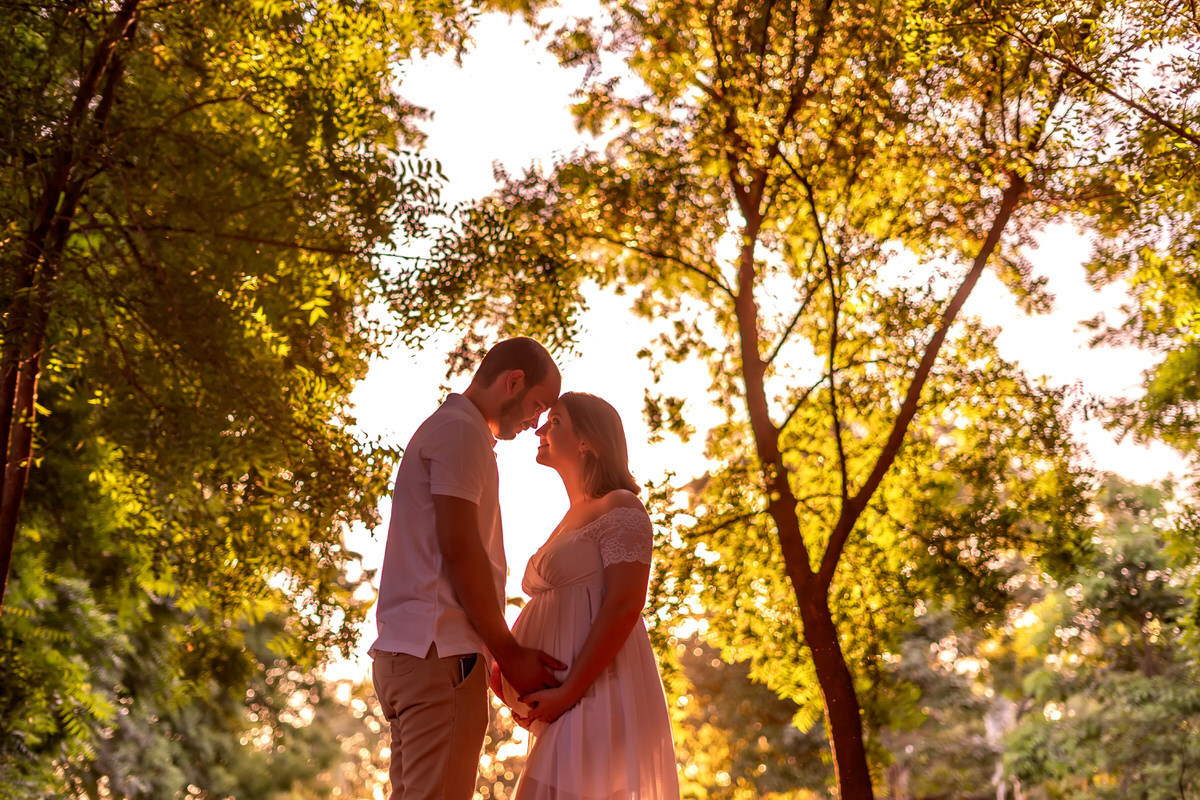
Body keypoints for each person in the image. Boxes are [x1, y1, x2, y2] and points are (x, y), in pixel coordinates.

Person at [370, 337, 567, 800]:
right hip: (440, 657)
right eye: (537, 405)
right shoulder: (461, 433)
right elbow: (460, 549)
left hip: (408, 655)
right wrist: (509, 654)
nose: (535, 422)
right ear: (513, 381)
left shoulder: (446, 428)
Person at [493, 391, 680, 798]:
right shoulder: (571, 517)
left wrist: (567, 692)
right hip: (569, 702)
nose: (540, 429)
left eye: (555, 421)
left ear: (587, 442)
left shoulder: (620, 506)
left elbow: (625, 604)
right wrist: (507, 670)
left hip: (600, 695)